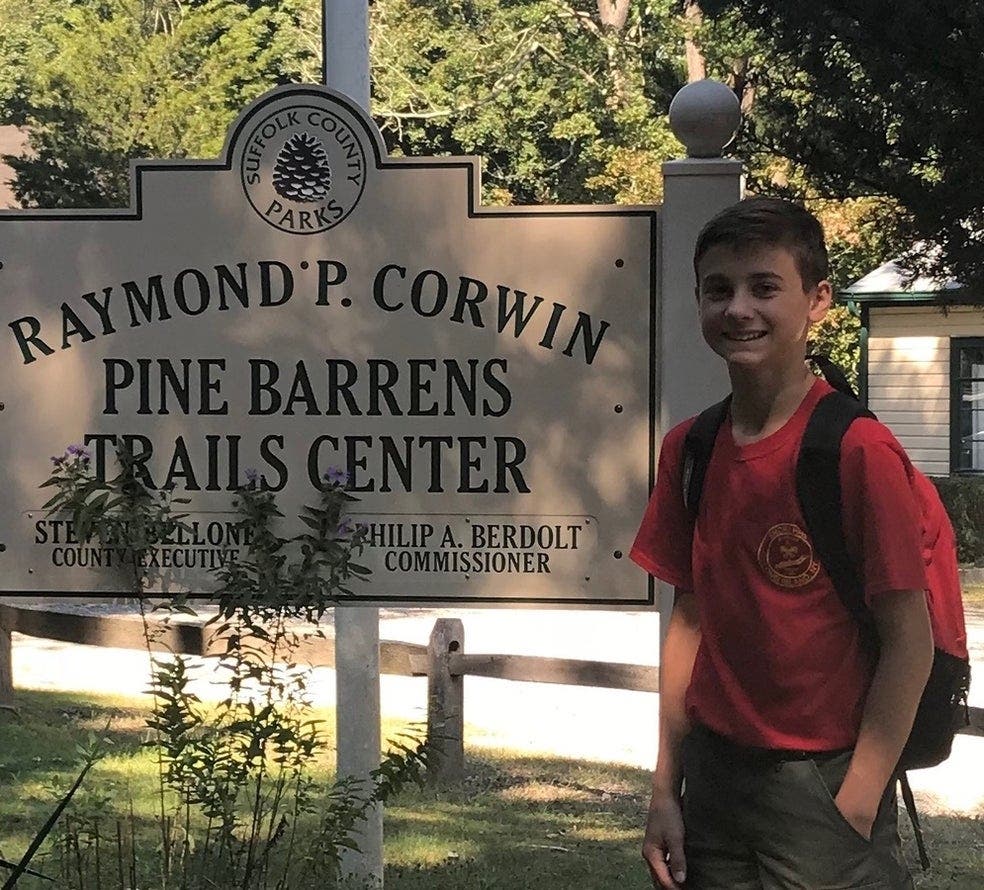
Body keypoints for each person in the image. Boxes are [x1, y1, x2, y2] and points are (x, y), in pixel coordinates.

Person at [631, 197, 934, 889]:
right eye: (719, 289)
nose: (739, 308)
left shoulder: (857, 450)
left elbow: (908, 642)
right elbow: (689, 620)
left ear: (818, 299)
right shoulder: (692, 448)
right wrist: (664, 788)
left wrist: (854, 802)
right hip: (713, 780)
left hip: (823, 781)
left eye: (764, 287)